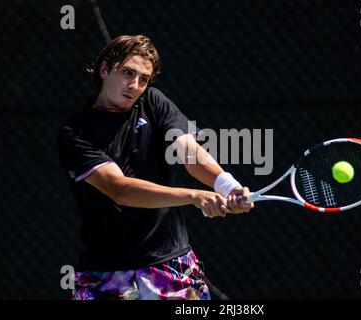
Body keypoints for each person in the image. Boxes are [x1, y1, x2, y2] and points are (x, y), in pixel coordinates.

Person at [56, 34, 253, 300]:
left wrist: (227, 186)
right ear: (104, 69)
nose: (134, 86)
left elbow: (190, 153)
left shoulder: (153, 102)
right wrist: (194, 196)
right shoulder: (75, 133)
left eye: (143, 79)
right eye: (127, 73)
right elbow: (119, 189)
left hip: (170, 267)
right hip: (106, 276)